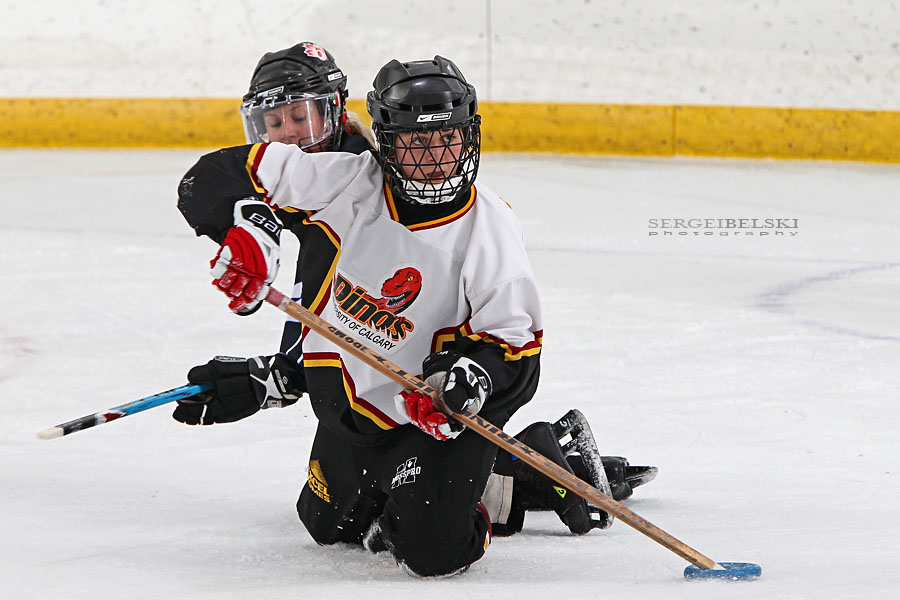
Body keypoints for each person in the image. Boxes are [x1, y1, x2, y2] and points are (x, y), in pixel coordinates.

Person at [174, 55, 654, 576]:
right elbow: (211, 178)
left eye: (445, 139)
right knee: (327, 526)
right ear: (384, 140)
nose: (433, 159)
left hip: (435, 421)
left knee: (432, 551)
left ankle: (476, 478)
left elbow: (516, 347)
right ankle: (522, 470)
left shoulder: (488, 229)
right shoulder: (345, 181)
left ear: (469, 136)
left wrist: (469, 381)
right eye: (415, 142)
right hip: (357, 411)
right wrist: (249, 230)